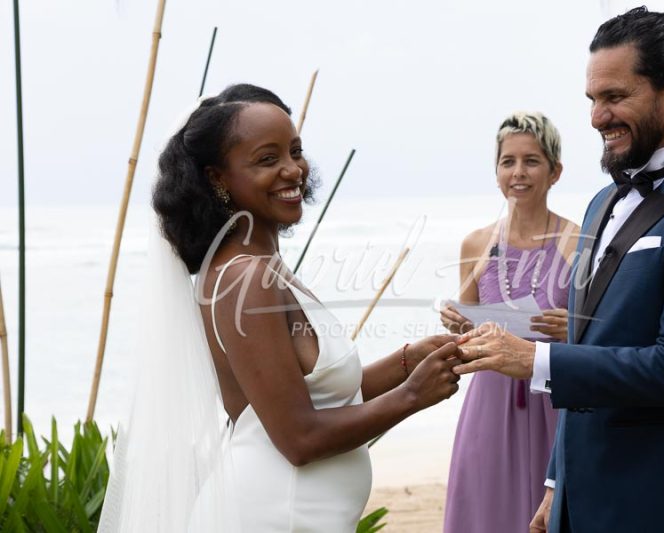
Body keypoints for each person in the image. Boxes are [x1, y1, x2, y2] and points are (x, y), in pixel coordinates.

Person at [98, 84, 462, 532]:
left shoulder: (263, 268)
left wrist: (410, 362)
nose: (294, 170)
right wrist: (411, 397)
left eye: (295, 151)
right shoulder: (244, 281)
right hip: (277, 515)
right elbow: (298, 437)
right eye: (268, 159)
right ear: (217, 178)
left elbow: (323, 396)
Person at [455, 7, 664, 533]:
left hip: (658, 503)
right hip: (578, 500)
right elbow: (590, 348)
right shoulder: (601, 204)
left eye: (615, 97)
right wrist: (556, 481)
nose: (598, 117)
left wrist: (536, 358)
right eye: (594, 100)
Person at [439, 111, 579, 533]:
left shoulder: (576, 239)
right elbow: (465, 340)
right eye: (508, 161)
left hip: (552, 399)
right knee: (486, 511)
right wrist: (457, 324)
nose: (518, 172)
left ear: (554, 171)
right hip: (490, 402)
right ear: (497, 171)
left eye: (532, 161)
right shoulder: (476, 243)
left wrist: (572, 327)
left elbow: (598, 331)